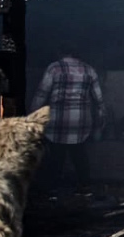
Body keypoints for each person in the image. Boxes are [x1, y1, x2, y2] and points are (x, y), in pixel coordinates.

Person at [30, 44, 106, 193]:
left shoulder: (54, 68)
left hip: (58, 121)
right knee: (79, 154)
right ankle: (85, 186)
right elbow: (99, 99)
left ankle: (53, 188)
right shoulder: (89, 69)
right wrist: (101, 119)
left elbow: (42, 94)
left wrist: (32, 114)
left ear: (60, 52)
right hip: (81, 121)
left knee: (57, 155)